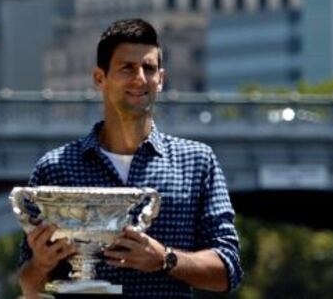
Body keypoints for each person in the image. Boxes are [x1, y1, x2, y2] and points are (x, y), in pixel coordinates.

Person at [18, 18, 243, 298]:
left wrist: (164, 258)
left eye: (149, 68)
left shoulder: (197, 163)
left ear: (161, 79)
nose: (140, 78)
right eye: (127, 68)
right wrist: (40, 264)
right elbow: (28, 284)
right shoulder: (56, 168)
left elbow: (228, 270)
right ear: (100, 78)